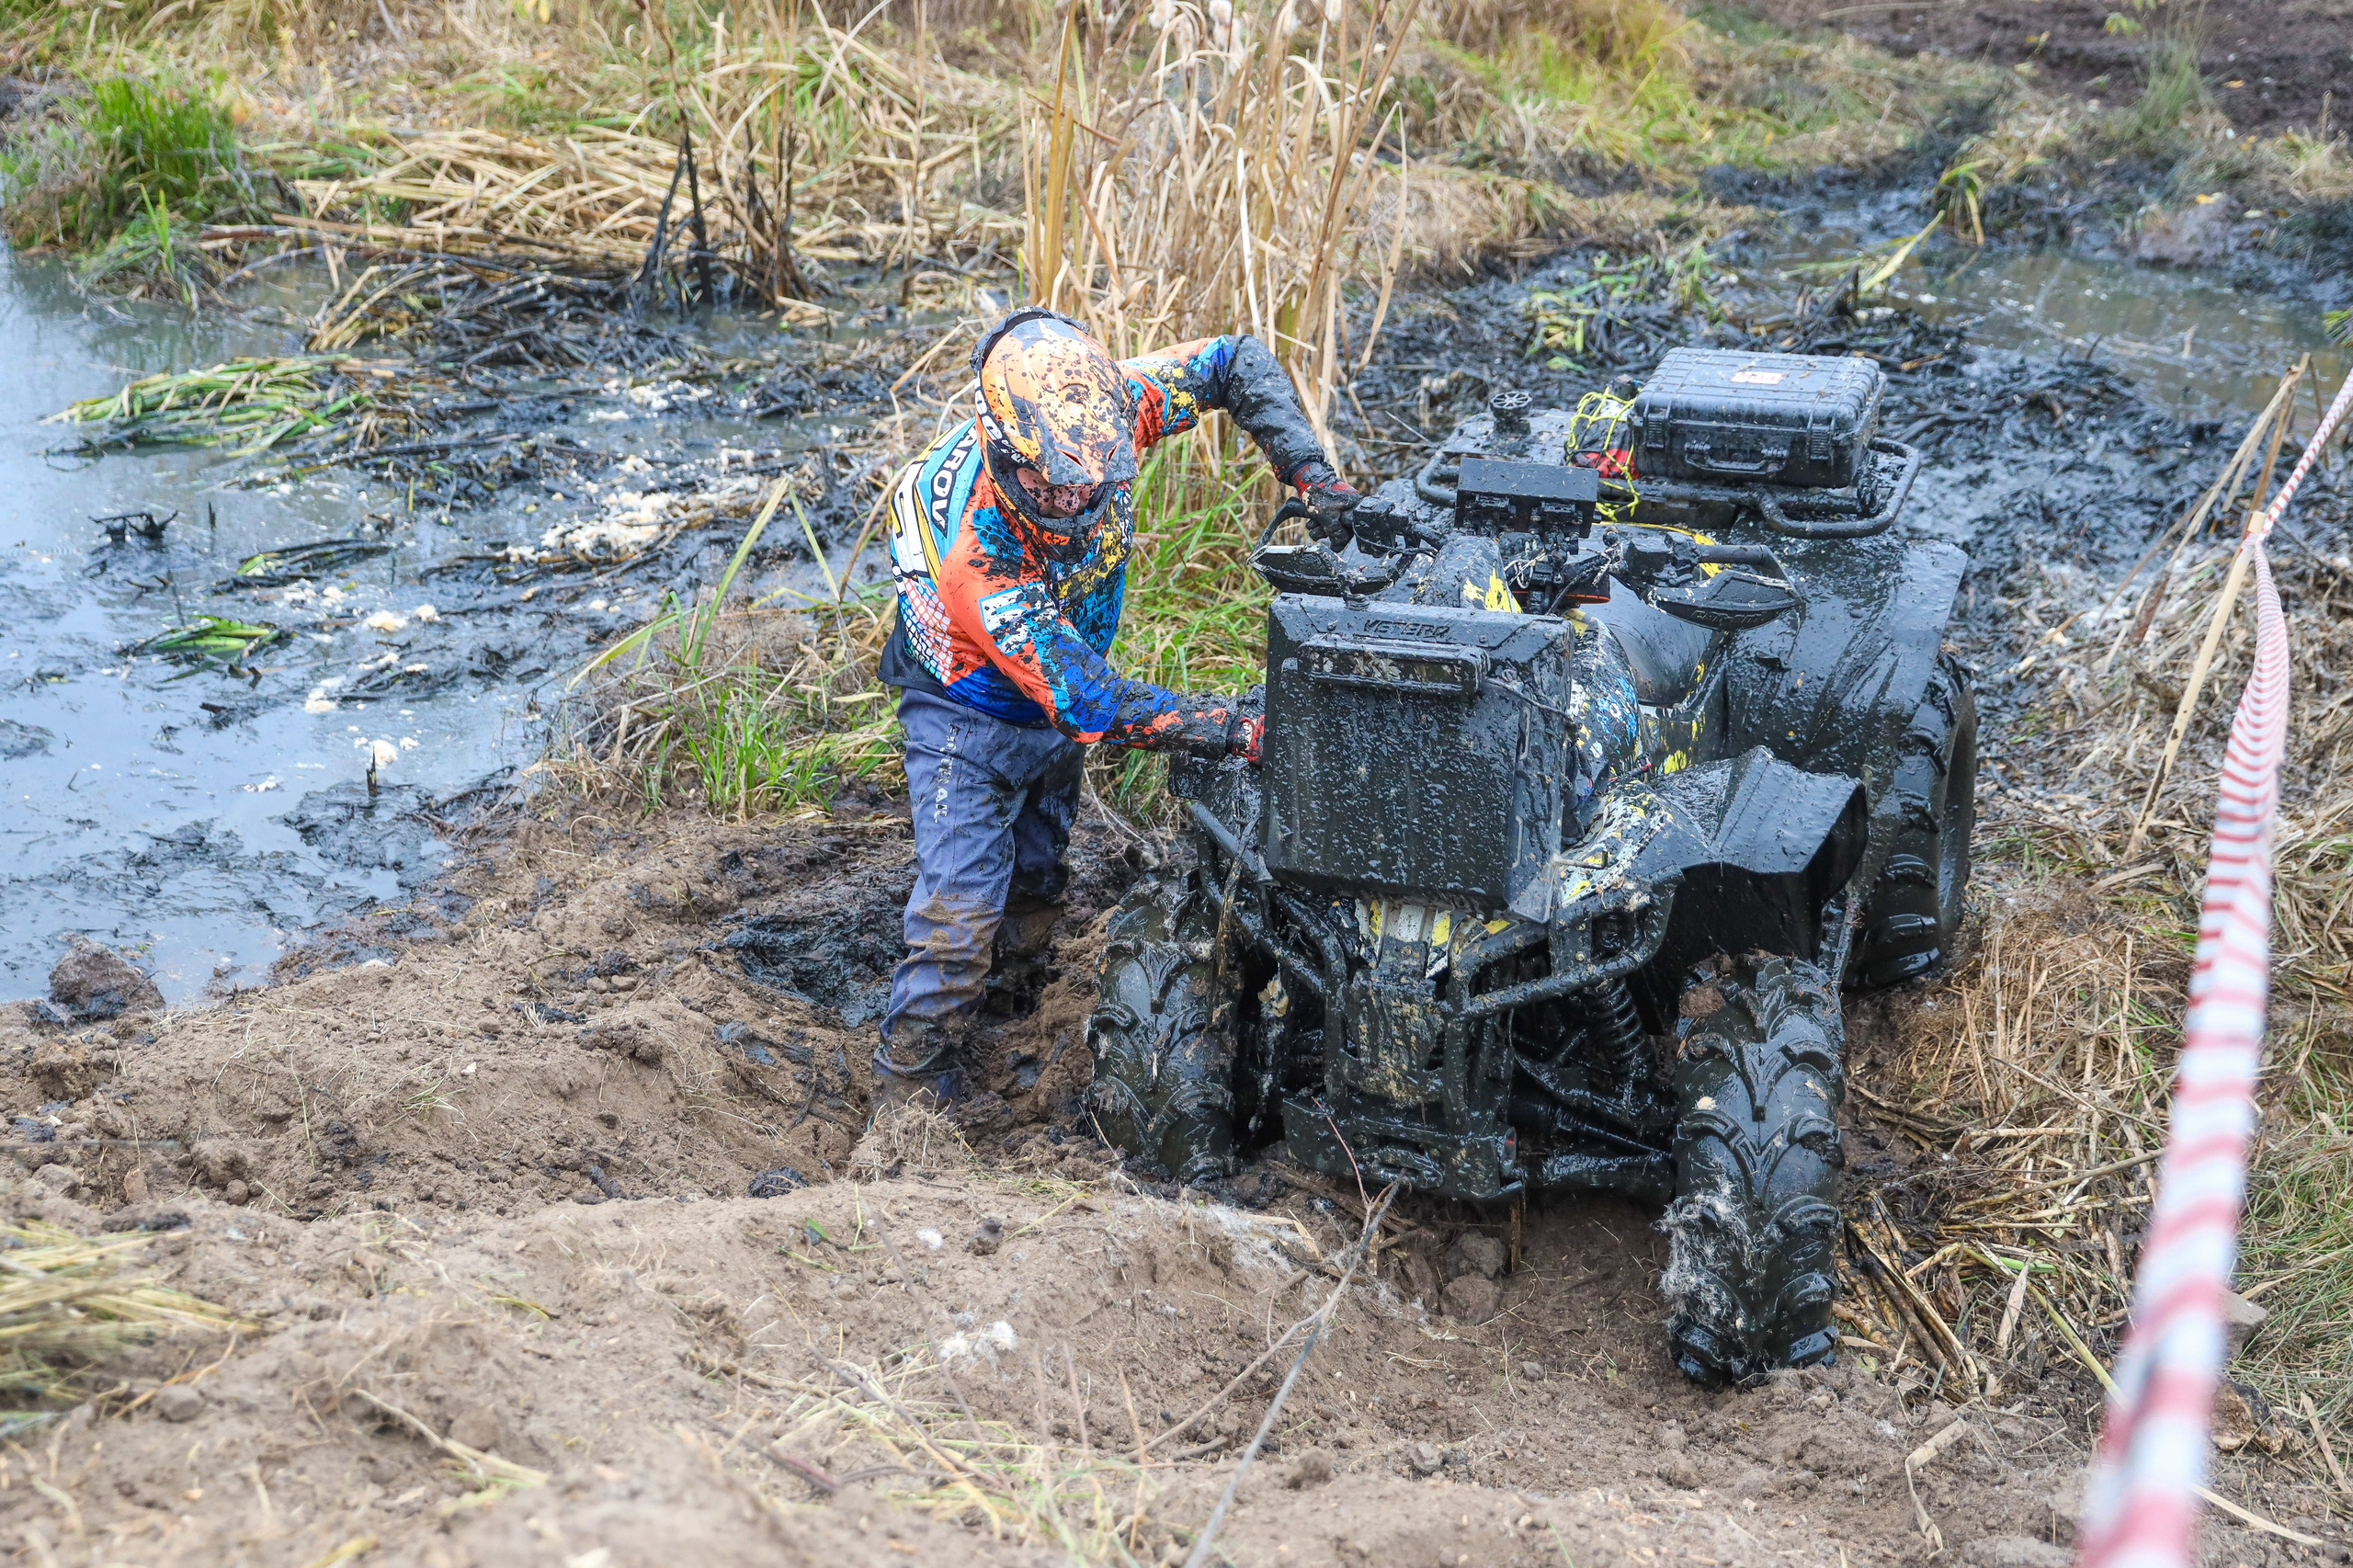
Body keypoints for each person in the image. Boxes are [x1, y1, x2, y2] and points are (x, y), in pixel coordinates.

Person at [872, 305, 1356, 1111]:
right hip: (963, 710)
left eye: (1091, 481)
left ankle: (1017, 1000)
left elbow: (1230, 359)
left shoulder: (1105, 414)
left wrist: (1311, 472)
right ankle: (910, 1091)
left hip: (1058, 682)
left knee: (1037, 863)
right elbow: (1086, 701)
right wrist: (1235, 730)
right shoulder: (977, 553)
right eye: (1052, 485)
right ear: (1002, 448)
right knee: (960, 906)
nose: (1074, 498)